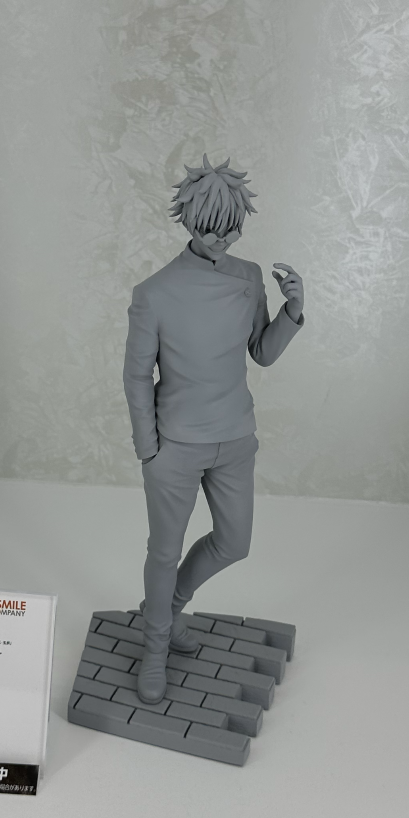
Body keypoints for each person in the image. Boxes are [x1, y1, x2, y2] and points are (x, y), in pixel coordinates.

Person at [123, 155, 304, 704]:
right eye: (209, 228)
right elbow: (136, 375)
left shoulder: (249, 277)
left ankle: (166, 610)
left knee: (234, 543)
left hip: (235, 437)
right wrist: (149, 448)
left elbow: (261, 352)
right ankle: (155, 647)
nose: (221, 238)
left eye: (231, 228)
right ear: (188, 221)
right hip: (175, 445)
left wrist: (293, 312)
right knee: (164, 551)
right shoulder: (154, 292)